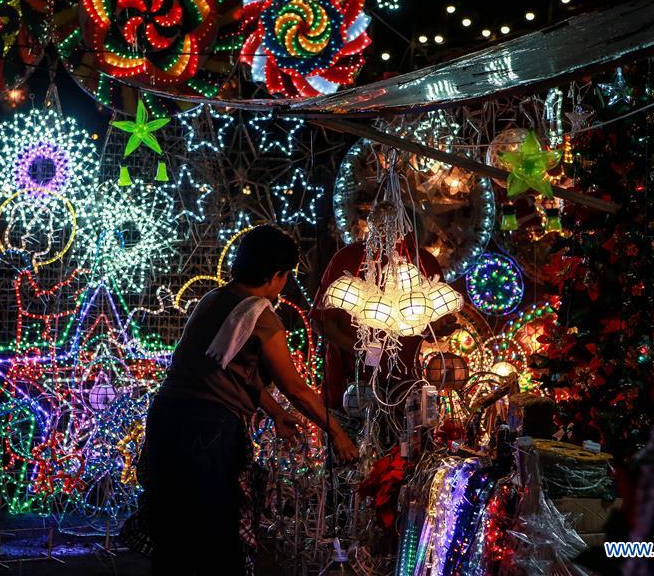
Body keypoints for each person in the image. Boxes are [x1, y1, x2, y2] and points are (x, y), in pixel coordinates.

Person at [144, 225, 358, 576]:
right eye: (286, 275)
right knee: (215, 532)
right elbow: (296, 388)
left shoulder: (212, 300)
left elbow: (221, 372)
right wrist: (338, 433)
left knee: (174, 528)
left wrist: (275, 414)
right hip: (208, 431)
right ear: (276, 275)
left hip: (166, 419)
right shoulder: (261, 316)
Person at [310, 233, 454, 411]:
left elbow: (432, 326)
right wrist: (360, 351)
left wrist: (441, 328)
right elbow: (320, 322)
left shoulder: (425, 263)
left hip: (405, 388)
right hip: (351, 388)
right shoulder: (349, 257)